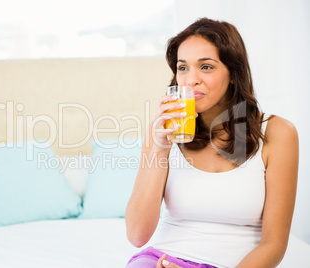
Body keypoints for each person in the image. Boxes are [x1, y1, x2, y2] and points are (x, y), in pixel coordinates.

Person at [125, 18, 298, 268]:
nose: (191, 80)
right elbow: (137, 234)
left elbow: (274, 244)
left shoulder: (278, 132)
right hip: (161, 261)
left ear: (232, 73)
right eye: (183, 68)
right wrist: (160, 148)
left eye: (206, 67)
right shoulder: (164, 130)